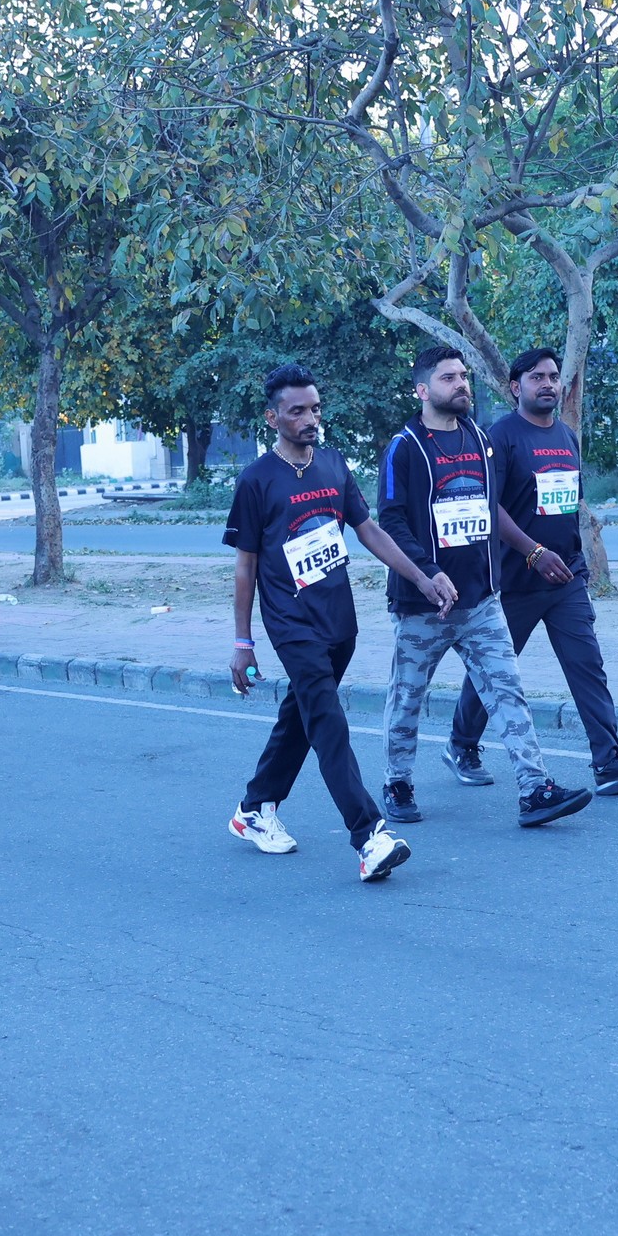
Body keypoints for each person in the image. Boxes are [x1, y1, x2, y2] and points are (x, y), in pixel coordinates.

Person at [226, 364, 454, 882]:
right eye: (297, 411)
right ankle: (369, 835)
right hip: (291, 624)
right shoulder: (257, 480)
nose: (310, 418)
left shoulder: (332, 464)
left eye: (315, 408)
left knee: (302, 717)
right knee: (328, 724)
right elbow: (245, 566)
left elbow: (368, 531)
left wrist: (422, 578)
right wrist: (243, 641)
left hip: (338, 620)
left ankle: (255, 808)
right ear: (273, 418)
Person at [374, 346, 594, 830]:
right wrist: (426, 573)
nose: (461, 384)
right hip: (422, 606)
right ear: (422, 389)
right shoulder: (404, 447)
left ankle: (534, 789)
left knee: (508, 691)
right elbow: (390, 522)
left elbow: (491, 508)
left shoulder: (479, 438)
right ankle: (397, 782)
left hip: (482, 602)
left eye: (463, 376)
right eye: (448, 378)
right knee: (407, 698)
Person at [443, 350, 618, 797]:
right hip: (514, 582)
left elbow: (566, 504)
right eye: (536, 377)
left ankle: (608, 761)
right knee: (495, 672)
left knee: (587, 665)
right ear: (515, 387)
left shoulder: (567, 436)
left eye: (553, 376)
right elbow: (488, 505)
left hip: (566, 579)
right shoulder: (500, 437)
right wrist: (533, 552)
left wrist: (570, 560)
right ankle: (462, 744)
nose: (548, 383)